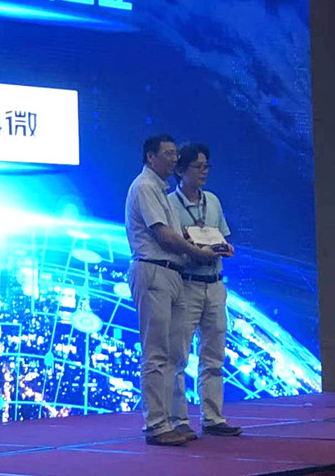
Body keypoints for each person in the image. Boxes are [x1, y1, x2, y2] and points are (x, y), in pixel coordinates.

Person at [125, 135, 223, 445]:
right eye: (168, 154)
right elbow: (164, 236)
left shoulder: (158, 189)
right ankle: (156, 424)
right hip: (154, 270)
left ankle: (174, 420)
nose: (173, 158)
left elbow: (174, 235)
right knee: (156, 352)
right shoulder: (145, 187)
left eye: (175, 153)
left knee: (171, 353)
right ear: (150, 157)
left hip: (171, 274)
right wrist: (197, 252)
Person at [168, 143, 242, 436]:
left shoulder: (213, 201)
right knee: (178, 356)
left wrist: (224, 248)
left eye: (206, 166)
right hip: (187, 283)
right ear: (180, 170)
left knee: (214, 355)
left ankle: (213, 418)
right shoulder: (170, 204)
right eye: (198, 167)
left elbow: (222, 235)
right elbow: (169, 242)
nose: (204, 172)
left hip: (214, 284)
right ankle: (178, 420)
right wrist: (193, 249)